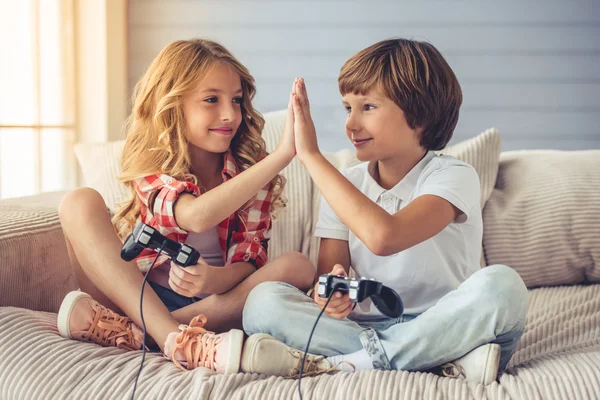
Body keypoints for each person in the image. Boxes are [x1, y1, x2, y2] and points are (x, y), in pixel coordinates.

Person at [240, 39, 529, 385]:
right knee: (262, 301)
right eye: (348, 108)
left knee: (504, 287)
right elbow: (328, 277)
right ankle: (433, 363)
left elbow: (385, 237)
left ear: (419, 115)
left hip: (442, 324)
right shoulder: (345, 184)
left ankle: (352, 361)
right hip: (361, 327)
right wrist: (327, 296)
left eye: (368, 107)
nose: (351, 124)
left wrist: (312, 158)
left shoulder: (453, 176)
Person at [56, 39, 315, 374]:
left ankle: (140, 335)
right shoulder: (152, 166)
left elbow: (248, 262)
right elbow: (194, 215)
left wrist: (210, 280)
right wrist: (282, 156)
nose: (229, 115)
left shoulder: (250, 169)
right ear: (173, 104)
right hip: (138, 297)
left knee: (298, 266)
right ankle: (173, 337)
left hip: (213, 304)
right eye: (211, 100)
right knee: (78, 202)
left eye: (236, 101)